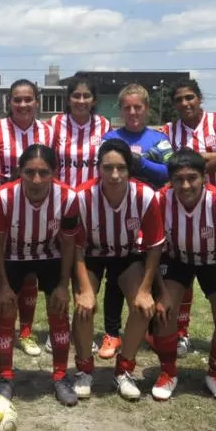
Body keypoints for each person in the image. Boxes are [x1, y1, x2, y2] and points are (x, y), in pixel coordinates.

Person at [0, 145, 92, 406]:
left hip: (50, 254)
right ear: (19, 172)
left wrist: (63, 285)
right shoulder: (3, 197)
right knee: (5, 310)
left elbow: (69, 243)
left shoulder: (68, 197)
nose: (36, 180)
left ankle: (59, 376)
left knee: (58, 309)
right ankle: (6, 376)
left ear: (54, 173)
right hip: (12, 255)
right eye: (29, 172)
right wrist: (2, 284)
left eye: (43, 173)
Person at [155, 148, 216, 402]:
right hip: (177, 259)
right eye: (178, 179)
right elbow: (151, 249)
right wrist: (160, 293)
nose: (186, 185)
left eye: (192, 178)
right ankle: (168, 372)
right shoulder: (160, 200)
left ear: (204, 178)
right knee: (164, 309)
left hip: (215, 260)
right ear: (170, 181)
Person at [74, 139, 164, 400]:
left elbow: (154, 246)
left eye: (121, 168)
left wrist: (146, 290)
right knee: (84, 306)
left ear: (129, 169)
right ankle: (84, 370)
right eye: (108, 168)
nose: (114, 175)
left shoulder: (145, 195)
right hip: (91, 255)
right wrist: (85, 291)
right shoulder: (82, 197)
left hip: (127, 254)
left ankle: (124, 370)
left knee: (142, 306)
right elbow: (77, 249)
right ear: (98, 168)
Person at [161, 80, 216, 356]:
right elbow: (165, 161)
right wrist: (207, 157)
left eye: (190, 97)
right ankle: (180, 332)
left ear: (200, 98)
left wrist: (195, 160)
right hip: (182, 206)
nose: (185, 103)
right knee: (183, 267)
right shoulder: (169, 130)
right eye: (179, 99)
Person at [100, 83, 171, 360]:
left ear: (147, 109)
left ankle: (150, 329)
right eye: (127, 107)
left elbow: (168, 171)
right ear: (121, 109)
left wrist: (139, 163)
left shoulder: (158, 139)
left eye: (137, 107)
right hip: (115, 214)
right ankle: (112, 332)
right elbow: (104, 167)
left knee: (149, 272)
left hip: (149, 213)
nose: (132, 112)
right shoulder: (110, 136)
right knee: (115, 274)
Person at [0, 79, 54, 358]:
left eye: (28, 99)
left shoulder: (49, 132)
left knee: (30, 273)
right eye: (17, 99)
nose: (23, 104)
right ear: (9, 103)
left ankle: (25, 331)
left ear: (37, 101)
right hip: (4, 208)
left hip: (38, 209)